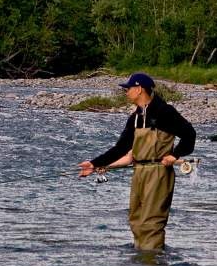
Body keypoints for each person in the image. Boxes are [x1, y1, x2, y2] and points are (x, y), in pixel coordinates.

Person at [78, 72, 196, 252]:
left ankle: (153, 265)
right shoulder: (135, 117)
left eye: (128, 88)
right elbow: (120, 149)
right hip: (138, 171)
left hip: (158, 173)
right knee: (136, 219)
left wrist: (175, 155)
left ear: (139, 89)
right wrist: (94, 164)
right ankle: (140, 263)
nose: (126, 92)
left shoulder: (164, 112)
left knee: (151, 221)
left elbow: (189, 134)